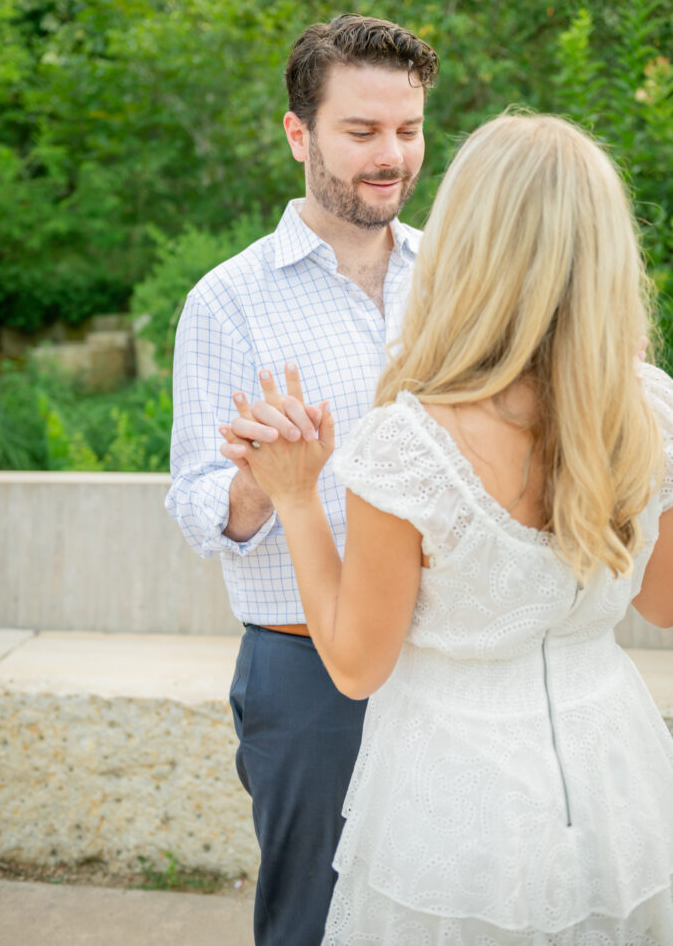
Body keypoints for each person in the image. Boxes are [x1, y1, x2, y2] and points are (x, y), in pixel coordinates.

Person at [220, 113, 673, 944]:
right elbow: (663, 602)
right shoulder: (649, 406)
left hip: (455, 798)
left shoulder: (409, 443)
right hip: (617, 776)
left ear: (465, 244)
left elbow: (357, 667)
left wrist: (294, 495)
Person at [165, 14, 439, 945]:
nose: (390, 156)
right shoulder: (226, 301)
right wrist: (265, 481)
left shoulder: (460, 276)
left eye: (406, 130)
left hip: (455, 654)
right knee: (311, 924)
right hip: (307, 670)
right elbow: (199, 504)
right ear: (299, 135)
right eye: (361, 132)